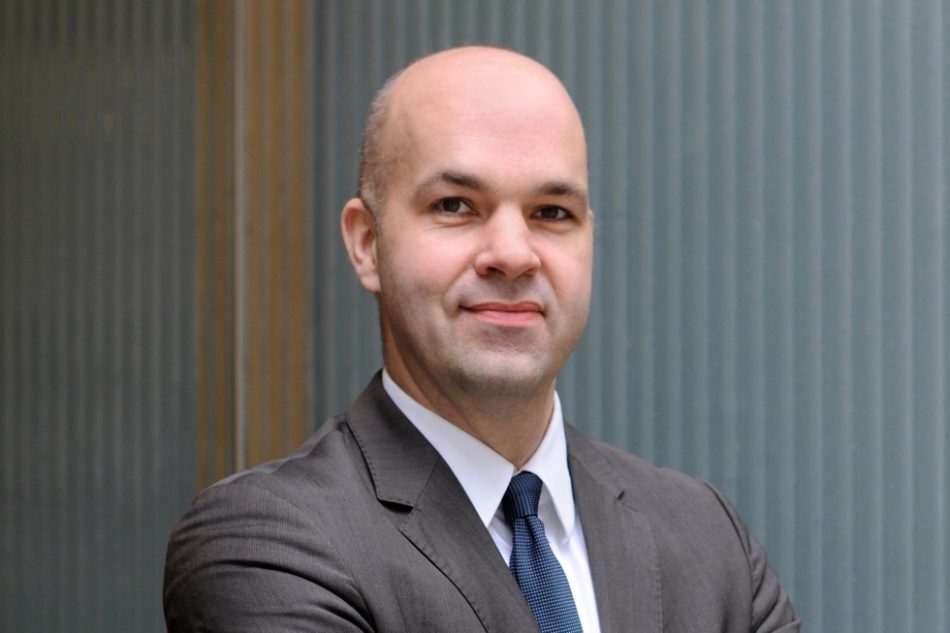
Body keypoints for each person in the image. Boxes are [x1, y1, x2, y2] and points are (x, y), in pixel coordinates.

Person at [163, 46, 800, 632]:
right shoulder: (266, 546)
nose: (513, 254)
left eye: (551, 213)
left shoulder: (710, 541)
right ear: (367, 243)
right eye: (455, 205)